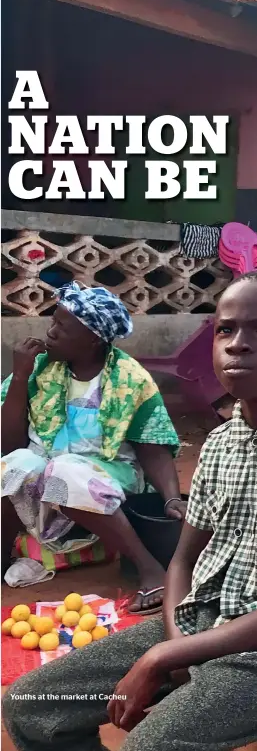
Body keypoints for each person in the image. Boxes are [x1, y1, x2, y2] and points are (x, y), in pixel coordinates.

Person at [3, 272, 257, 751]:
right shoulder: (223, 443)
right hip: (202, 620)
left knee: (147, 745)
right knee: (34, 703)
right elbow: (184, 560)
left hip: (248, 652)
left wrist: (168, 653)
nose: (239, 345)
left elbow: (153, 448)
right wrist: (176, 634)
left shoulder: (128, 379)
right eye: (226, 329)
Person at [1, 282, 185, 614]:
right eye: (52, 322)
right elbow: (6, 444)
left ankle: (150, 570)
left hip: (105, 483)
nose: (50, 332)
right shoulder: (39, 368)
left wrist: (171, 498)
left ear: (92, 339)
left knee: (66, 470)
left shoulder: (130, 379)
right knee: (15, 464)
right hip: (45, 484)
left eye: (62, 327)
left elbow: (153, 447)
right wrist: (18, 377)